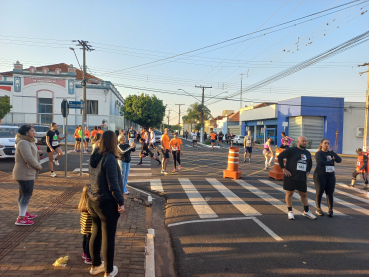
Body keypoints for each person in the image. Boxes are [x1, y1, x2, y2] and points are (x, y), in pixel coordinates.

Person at [88, 130, 124, 277]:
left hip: (93, 200)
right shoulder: (109, 158)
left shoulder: (95, 155)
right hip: (106, 203)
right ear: (113, 142)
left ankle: (96, 265)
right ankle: (108, 271)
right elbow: (113, 185)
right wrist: (120, 202)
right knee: (108, 238)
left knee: (95, 233)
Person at [278, 136, 316, 220]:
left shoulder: (307, 153)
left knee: (304, 194)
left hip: (301, 177)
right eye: (303, 141)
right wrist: (283, 169)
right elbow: (280, 156)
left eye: (306, 141)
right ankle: (290, 211)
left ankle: (306, 211)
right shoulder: (292, 150)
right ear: (298, 141)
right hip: (290, 176)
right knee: (290, 193)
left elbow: (310, 163)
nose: (305, 142)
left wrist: (308, 172)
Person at [13, 125, 42, 226]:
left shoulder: (28, 141)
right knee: (26, 194)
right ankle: (21, 218)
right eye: (31, 130)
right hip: (24, 172)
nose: (33, 132)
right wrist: (38, 166)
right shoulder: (23, 142)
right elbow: (28, 157)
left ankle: (23, 213)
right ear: (26, 132)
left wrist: (38, 152)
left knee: (23, 194)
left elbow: (29, 152)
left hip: (26, 172)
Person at [314, 138, 342, 217]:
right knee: (320, 192)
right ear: (321, 144)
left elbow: (339, 160)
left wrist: (332, 152)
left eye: (328, 143)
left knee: (330, 193)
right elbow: (321, 163)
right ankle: (318, 208)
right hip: (320, 175)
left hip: (330, 176)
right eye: (325, 143)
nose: (327, 145)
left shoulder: (331, 153)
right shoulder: (319, 153)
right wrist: (331, 161)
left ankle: (330, 210)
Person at [78, 184, 93, 264]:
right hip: (89, 226)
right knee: (89, 241)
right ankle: (89, 257)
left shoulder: (82, 202)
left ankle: (84, 253)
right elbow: (92, 213)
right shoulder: (89, 204)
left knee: (85, 239)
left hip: (84, 226)